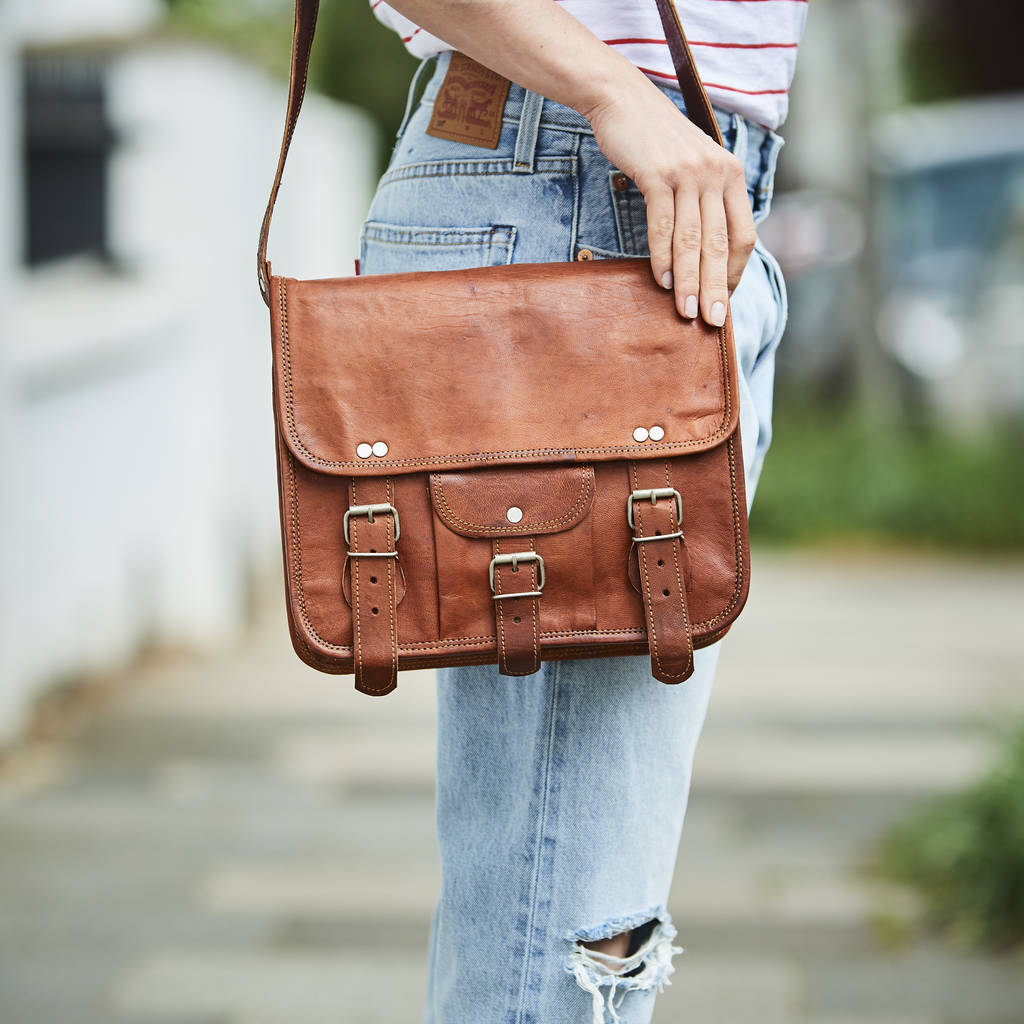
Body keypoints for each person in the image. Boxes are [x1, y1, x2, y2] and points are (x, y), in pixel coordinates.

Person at [359, 1, 806, 1021]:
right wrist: (612, 91)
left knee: (571, 898)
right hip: (583, 181)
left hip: (657, 192)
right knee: (567, 924)